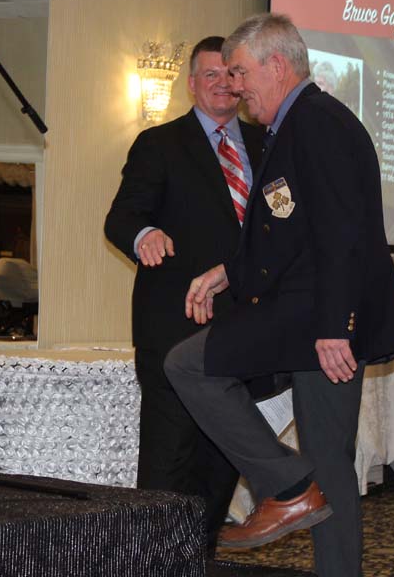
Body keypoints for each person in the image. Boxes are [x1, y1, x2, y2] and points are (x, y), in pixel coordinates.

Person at [165, 14, 394, 577]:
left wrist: (335, 327)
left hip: (315, 320)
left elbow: (341, 233)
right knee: (330, 463)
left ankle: (286, 484)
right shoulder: (299, 123)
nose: (235, 87)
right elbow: (289, 232)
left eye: (240, 72)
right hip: (310, 314)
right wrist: (228, 273)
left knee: (188, 365)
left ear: (276, 65)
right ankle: (299, 493)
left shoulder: (318, 123)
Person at [104, 35, 264, 548]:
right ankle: (152, 558)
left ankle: (200, 554)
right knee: (168, 460)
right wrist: (144, 234)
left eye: (230, 75)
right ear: (192, 83)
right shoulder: (160, 144)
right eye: (210, 75)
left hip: (244, 330)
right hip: (174, 330)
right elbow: (121, 217)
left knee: (222, 460)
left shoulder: (266, 142)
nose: (222, 84)